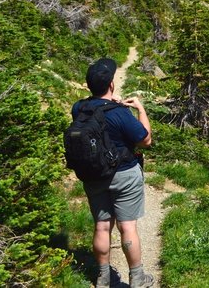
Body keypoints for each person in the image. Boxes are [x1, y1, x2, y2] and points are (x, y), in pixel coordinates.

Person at [72, 58, 154, 288]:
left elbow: (99, 119)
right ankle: (137, 278)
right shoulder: (119, 113)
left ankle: (103, 278)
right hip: (124, 174)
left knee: (102, 225)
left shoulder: (79, 108)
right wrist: (140, 109)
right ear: (111, 85)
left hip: (93, 174)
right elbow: (145, 140)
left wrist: (112, 103)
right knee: (127, 226)